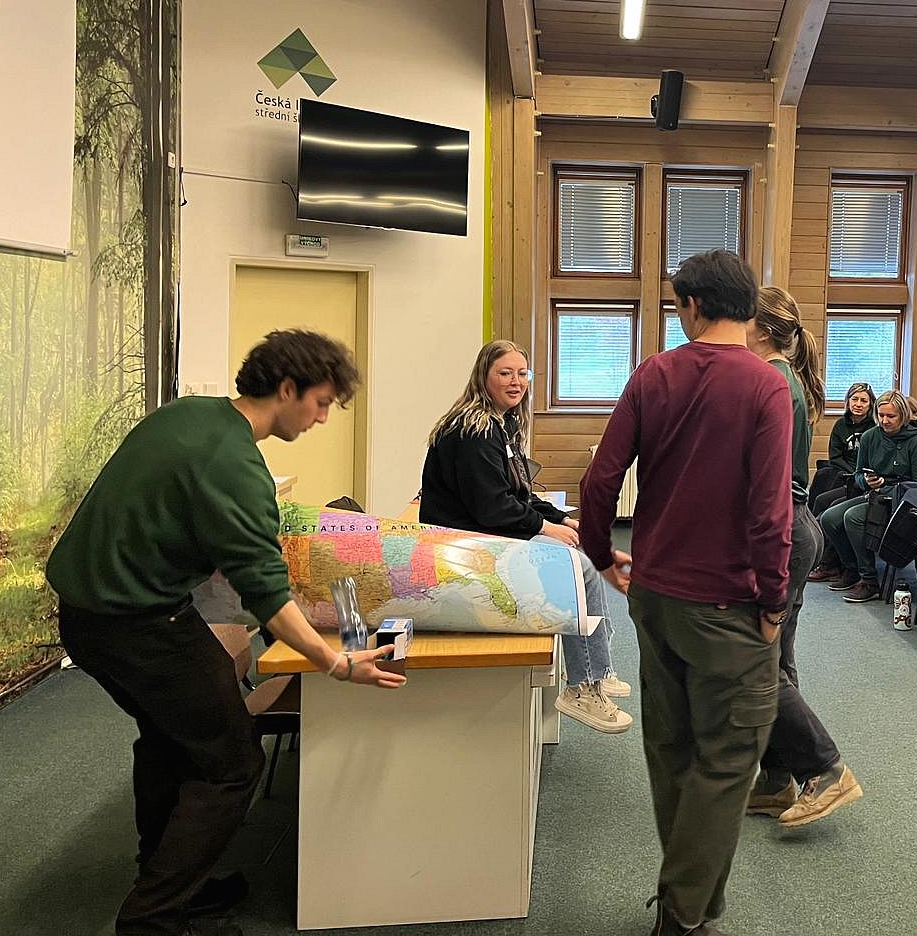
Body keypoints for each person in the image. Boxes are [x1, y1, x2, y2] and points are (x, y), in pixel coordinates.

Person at [45, 330, 404, 936]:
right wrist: (337, 663)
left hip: (86, 615)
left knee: (169, 740)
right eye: (320, 403)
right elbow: (268, 596)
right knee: (233, 761)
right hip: (141, 624)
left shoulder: (189, 414)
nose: (322, 418)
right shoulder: (236, 465)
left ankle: (168, 881)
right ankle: (154, 918)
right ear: (286, 388)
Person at [579, 250, 791, 936]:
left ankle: (691, 908)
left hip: (655, 595)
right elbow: (770, 513)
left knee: (673, 752)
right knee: (728, 758)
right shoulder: (766, 386)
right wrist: (775, 601)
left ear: (694, 305)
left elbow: (599, 481)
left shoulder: (654, 373)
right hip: (728, 605)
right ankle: (682, 915)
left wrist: (597, 553)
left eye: (678, 306)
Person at [420, 340, 632, 734]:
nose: (516, 382)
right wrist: (546, 528)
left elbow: (518, 494)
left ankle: (598, 671)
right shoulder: (474, 430)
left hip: (485, 530)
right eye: (505, 373)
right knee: (576, 568)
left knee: (580, 552)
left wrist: (562, 520)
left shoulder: (501, 424)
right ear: (483, 377)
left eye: (522, 373)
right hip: (463, 544)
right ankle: (583, 686)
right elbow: (492, 509)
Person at [742, 286, 861, 828]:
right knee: (775, 659)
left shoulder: (772, 381)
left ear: (762, 329)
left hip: (781, 530)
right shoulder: (781, 378)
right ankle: (776, 779)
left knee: (756, 662)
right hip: (792, 526)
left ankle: (825, 769)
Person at [817, 389, 917, 603]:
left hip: (900, 502)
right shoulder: (870, 436)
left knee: (853, 517)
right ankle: (851, 569)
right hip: (874, 494)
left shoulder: (916, 441)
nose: (885, 421)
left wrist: (886, 486)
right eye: (881, 415)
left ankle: (869, 580)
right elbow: (858, 475)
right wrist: (866, 481)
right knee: (829, 518)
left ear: (903, 416)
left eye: (891, 416)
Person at [806, 382, 876, 582]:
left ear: (871, 404)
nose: (858, 404)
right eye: (855, 399)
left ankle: (830, 563)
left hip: (862, 480)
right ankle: (816, 554)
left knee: (829, 505)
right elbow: (835, 457)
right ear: (847, 401)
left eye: (864, 400)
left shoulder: (874, 428)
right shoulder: (840, 425)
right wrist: (851, 473)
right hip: (844, 474)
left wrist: (858, 476)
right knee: (819, 499)